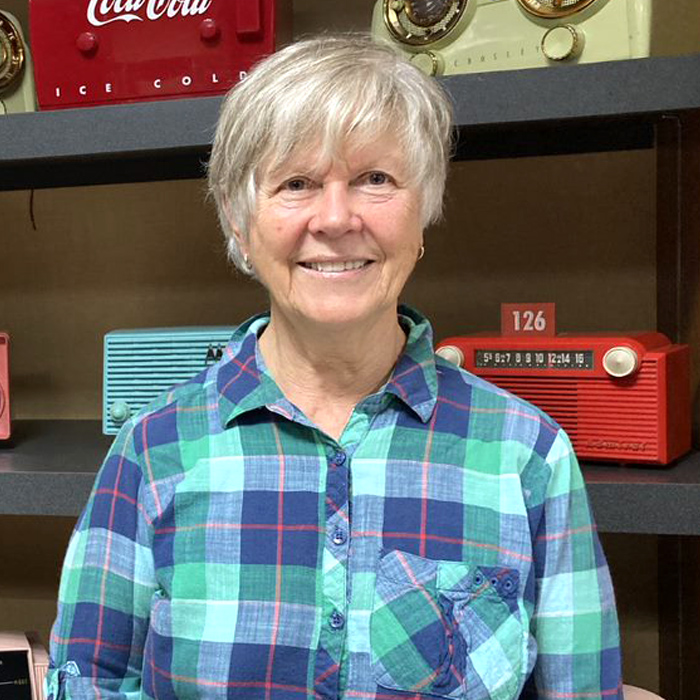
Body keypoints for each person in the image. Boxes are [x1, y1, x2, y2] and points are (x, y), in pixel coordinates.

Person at [46, 33, 622, 700]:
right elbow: (88, 684)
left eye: (376, 178)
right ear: (239, 221)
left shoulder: (527, 456)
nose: (336, 217)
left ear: (423, 212)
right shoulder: (153, 450)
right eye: (296, 183)